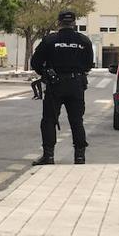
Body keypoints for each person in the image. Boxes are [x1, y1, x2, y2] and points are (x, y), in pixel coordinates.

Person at [30, 9, 94, 165]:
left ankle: (48, 156)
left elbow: (35, 63)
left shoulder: (50, 40)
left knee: (49, 121)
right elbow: (88, 64)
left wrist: (46, 72)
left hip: (55, 85)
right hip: (76, 85)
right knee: (77, 121)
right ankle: (80, 157)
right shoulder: (84, 41)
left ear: (59, 23)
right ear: (74, 23)